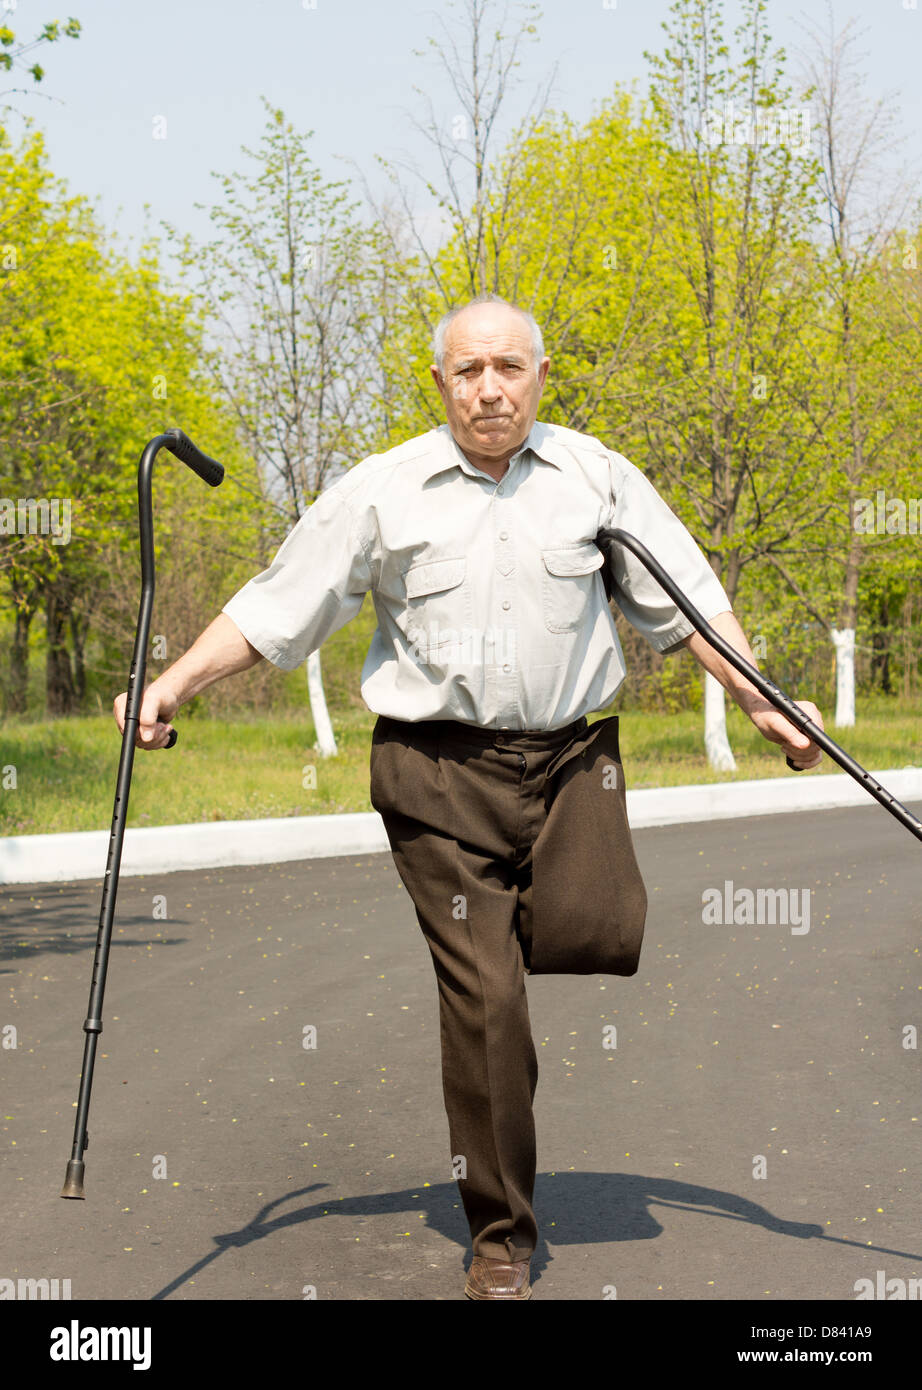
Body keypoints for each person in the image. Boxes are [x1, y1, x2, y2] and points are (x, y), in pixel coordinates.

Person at [114, 293, 824, 1301]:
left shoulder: (595, 481)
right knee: (488, 1000)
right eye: (468, 371)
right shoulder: (383, 491)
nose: (490, 388)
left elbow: (687, 600)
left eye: (509, 368)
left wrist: (759, 704)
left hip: (573, 764)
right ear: (438, 381)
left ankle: (517, 972)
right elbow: (281, 603)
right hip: (436, 772)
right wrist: (172, 683)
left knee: (598, 927)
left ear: (540, 374)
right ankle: (499, 1234)